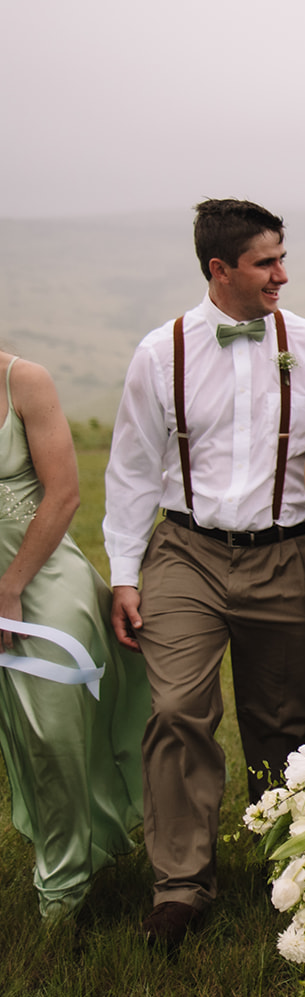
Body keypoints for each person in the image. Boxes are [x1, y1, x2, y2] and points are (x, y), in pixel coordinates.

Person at [104, 198, 305, 951]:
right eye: (267, 261)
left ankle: (288, 870)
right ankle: (180, 887)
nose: (283, 274)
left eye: (282, 256)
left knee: (283, 723)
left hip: (287, 551)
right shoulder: (158, 351)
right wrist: (124, 573)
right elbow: (133, 469)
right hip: (186, 552)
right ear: (219, 268)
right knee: (176, 712)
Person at [0, 351, 147, 921]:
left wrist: (11, 589)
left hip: (39, 581)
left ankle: (62, 886)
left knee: (55, 733)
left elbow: (64, 495)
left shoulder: (25, 381)